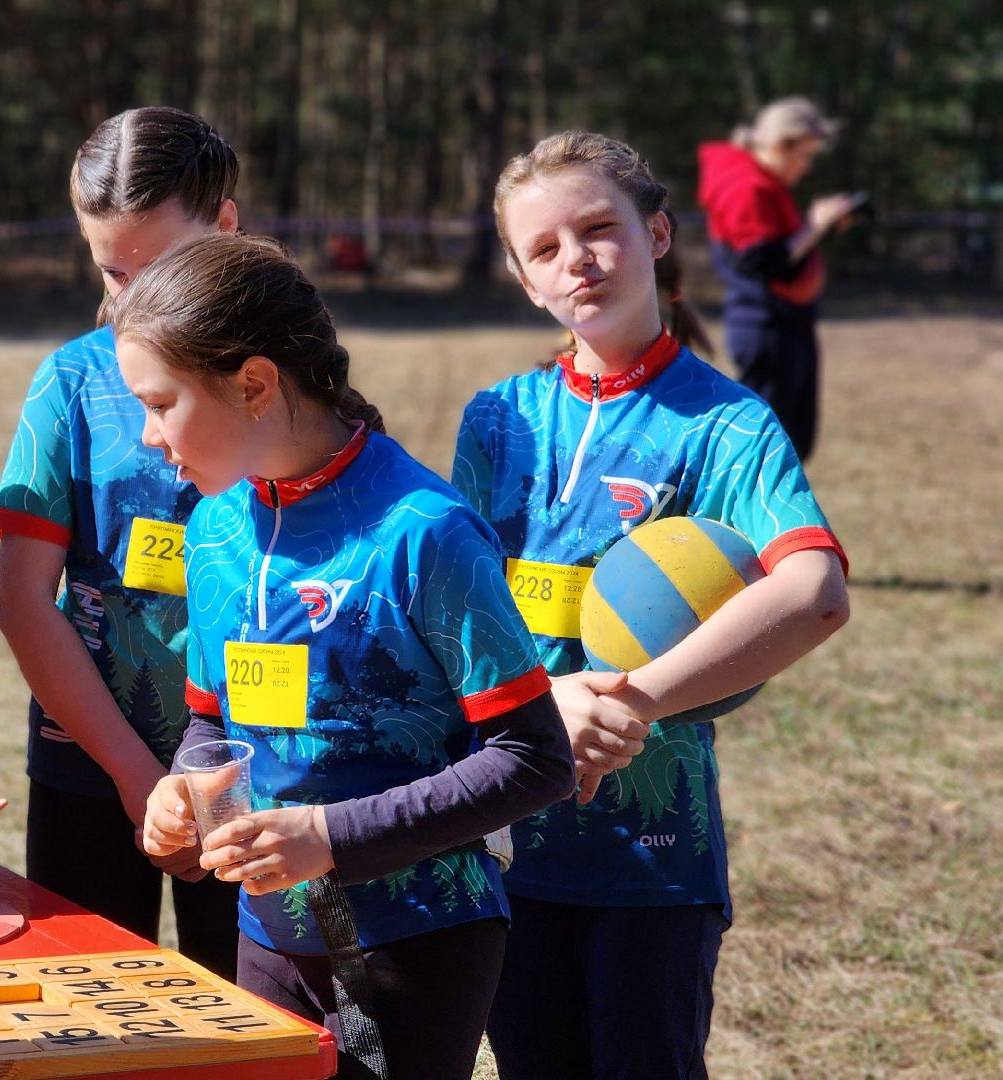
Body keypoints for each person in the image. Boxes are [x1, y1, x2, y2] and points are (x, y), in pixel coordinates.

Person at [128, 233, 575, 1078]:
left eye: (161, 404)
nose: (149, 438)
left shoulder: (424, 532)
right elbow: (207, 723)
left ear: (255, 384)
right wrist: (182, 787)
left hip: (416, 940)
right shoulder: (213, 530)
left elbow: (535, 760)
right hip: (265, 933)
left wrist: (330, 834)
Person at [463, 130, 851, 1080]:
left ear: (660, 232)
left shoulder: (726, 422)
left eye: (600, 228)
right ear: (522, 279)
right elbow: (455, 616)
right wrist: (535, 716)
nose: (578, 259)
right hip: (506, 844)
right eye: (544, 249)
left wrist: (633, 699)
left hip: (653, 854)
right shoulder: (497, 419)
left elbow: (814, 593)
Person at [0, 106, 242, 976]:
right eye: (112, 270)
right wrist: (137, 775)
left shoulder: (276, 378)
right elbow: (24, 603)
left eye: (162, 264)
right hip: (90, 767)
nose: (138, 297)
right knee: (87, 1026)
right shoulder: (69, 381)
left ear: (226, 226)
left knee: (267, 1036)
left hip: (250, 773)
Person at [698, 96, 859, 459]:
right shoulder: (745, 187)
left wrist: (820, 230)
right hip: (767, 326)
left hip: (784, 324)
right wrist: (815, 225)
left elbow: (782, 254)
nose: (806, 167)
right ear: (781, 146)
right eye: (805, 156)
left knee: (788, 444)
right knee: (767, 452)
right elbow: (760, 262)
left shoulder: (761, 183)